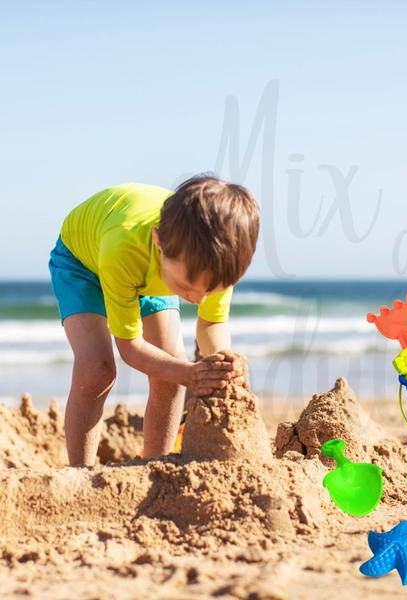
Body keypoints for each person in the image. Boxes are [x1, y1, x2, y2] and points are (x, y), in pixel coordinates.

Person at [48, 175, 260, 466]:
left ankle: (154, 466)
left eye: (209, 290)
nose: (197, 299)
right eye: (187, 288)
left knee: (170, 372)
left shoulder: (215, 263)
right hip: (83, 263)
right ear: (159, 243)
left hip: (151, 275)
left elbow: (211, 324)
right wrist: (188, 373)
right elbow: (130, 346)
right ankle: (80, 472)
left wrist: (222, 361)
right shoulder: (123, 248)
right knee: (96, 371)